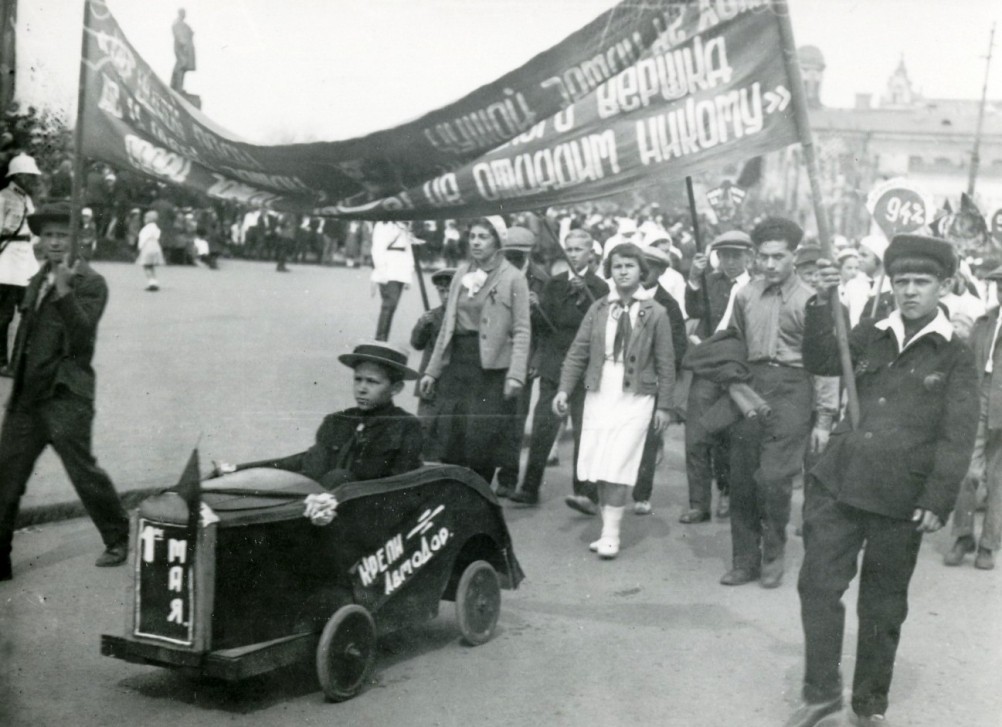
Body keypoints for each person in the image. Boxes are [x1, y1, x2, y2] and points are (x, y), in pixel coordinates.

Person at [786, 235, 978, 727]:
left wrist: (938, 496)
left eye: (922, 281)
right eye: (902, 281)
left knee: (883, 605)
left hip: (902, 497)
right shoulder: (871, 331)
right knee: (817, 586)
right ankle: (821, 690)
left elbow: (958, 434)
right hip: (840, 484)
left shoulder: (955, 354)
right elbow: (822, 360)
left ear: (945, 285)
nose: (910, 291)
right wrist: (820, 301)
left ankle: (868, 705)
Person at [0, 203, 131, 581]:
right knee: (6, 478)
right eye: (50, 235)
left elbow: (83, 335)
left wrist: (64, 291)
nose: (55, 242)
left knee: (83, 472)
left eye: (63, 235)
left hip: (65, 397)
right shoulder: (36, 278)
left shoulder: (90, 282)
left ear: (80, 239)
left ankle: (118, 535)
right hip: (27, 399)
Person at [553, 242, 676, 559]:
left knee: (619, 461)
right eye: (618, 266)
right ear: (610, 270)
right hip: (600, 390)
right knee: (603, 463)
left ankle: (611, 534)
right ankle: (608, 529)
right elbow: (578, 352)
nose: (623, 272)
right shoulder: (599, 309)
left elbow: (666, 362)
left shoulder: (656, 313)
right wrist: (564, 390)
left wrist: (664, 405)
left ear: (641, 272)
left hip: (636, 395)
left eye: (630, 266)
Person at [722, 217, 817, 588]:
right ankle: (744, 559)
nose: (770, 264)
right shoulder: (745, 295)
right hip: (752, 384)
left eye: (779, 256)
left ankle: (774, 553)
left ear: (794, 256)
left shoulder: (810, 299)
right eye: (763, 257)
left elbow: (824, 364)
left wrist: (823, 416)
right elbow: (735, 343)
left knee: (775, 477)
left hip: (794, 387)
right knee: (743, 477)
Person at [214, 342, 423, 489]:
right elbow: (306, 462)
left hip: (369, 519)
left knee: (339, 477)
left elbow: (401, 486)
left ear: (396, 388)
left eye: (372, 382)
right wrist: (237, 470)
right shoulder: (337, 421)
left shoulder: (406, 426)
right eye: (357, 379)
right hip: (319, 508)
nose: (361, 388)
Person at [419, 217, 531, 486]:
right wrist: (432, 371)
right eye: (473, 237)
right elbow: (447, 325)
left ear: (498, 241)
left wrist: (516, 374)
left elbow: (522, 330)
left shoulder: (513, 278)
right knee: (452, 436)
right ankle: (456, 495)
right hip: (458, 363)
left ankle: (479, 495)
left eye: (484, 237)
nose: (477, 242)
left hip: (491, 370)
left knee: (481, 438)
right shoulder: (461, 274)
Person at [509, 229, 609, 508]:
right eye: (569, 249)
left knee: (583, 430)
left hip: (584, 370)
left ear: (591, 253)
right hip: (555, 366)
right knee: (543, 426)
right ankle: (529, 488)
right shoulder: (555, 284)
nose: (573, 254)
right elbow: (545, 328)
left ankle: (585, 491)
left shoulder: (600, 287)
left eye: (579, 249)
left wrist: (583, 297)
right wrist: (535, 309)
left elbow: (599, 327)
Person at [681, 230, 754, 523]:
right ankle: (698, 503)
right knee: (697, 435)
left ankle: (727, 490)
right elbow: (694, 308)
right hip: (710, 367)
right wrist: (695, 279)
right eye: (725, 255)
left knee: (731, 435)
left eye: (737, 255)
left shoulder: (759, 286)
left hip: (740, 367)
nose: (731, 261)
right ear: (717, 257)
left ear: (749, 257)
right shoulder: (710, 282)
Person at [944, 264, 1002, 571]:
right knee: (967, 471)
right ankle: (962, 535)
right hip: (979, 399)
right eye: (1001, 285)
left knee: (999, 480)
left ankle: (989, 544)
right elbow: (967, 362)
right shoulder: (983, 321)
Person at [631, 245, 686, 515]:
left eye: (650, 268)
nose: (643, 272)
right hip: (623, 379)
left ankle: (642, 493)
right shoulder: (622, 296)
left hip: (651, 380)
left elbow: (678, 350)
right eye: (640, 265)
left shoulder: (669, 306)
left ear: (662, 271)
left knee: (648, 439)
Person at [496, 226, 549, 498]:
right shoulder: (495, 272)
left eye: (519, 255)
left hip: (524, 357)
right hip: (494, 354)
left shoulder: (541, 279)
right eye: (510, 254)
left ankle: (508, 477)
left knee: (516, 420)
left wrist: (538, 307)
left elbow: (549, 328)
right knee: (490, 416)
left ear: (529, 253)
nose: (513, 259)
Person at [0, 153, 41, 377]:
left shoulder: (27, 199)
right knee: (3, 317)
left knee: (28, 313)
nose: (30, 179)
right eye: (27, 175)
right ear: (17, 175)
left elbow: (33, 227)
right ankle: (1, 361)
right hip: (6, 264)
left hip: (26, 262)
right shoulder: (3, 197)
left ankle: (17, 364)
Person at [411, 268, 456, 462]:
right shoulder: (432, 315)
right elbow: (417, 343)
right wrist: (421, 325)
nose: (445, 296)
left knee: (448, 433)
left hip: (452, 384)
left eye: (450, 291)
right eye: (441, 291)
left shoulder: (466, 316)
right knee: (425, 428)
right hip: (430, 385)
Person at [371, 221, 416, 341]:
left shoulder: (404, 225)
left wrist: (409, 272)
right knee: (389, 304)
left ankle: (383, 337)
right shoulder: (382, 225)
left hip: (401, 269)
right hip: (388, 268)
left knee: (392, 306)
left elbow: (408, 250)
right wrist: (381, 271)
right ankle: (380, 338)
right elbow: (377, 249)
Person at [136, 210, 164, 291]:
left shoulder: (146, 229)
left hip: (147, 246)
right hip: (155, 245)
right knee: (151, 266)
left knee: (146, 266)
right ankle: (154, 281)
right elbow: (157, 236)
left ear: (148, 219)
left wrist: (140, 247)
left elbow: (143, 238)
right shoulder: (156, 228)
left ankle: (151, 283)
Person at [170, 8, 196, 93]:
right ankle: (176, 87)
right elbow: (178, 34)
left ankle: (178, 87)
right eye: (183, 13)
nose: (184, 15)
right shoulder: (177, 23)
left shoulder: (183, 24)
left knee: (183, 67)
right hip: (180, 47)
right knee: (181, 65)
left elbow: (188, 32)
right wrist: (183, 42)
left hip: (184, 48)